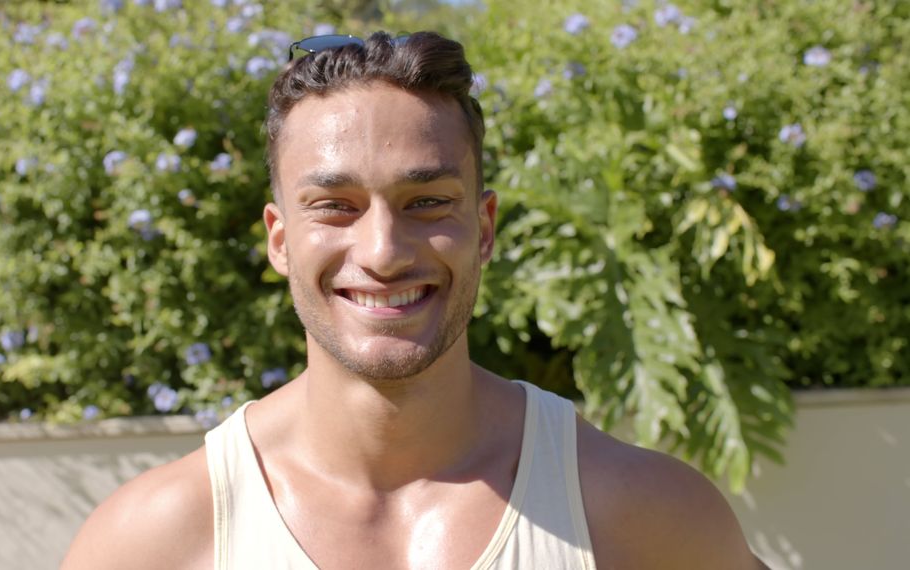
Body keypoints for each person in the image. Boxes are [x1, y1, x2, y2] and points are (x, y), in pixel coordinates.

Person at [62, 31, 767, 569]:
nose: (383, 252)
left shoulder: (638, 514)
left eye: (426, 201)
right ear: (280, 240)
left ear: (483, 228)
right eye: (334, 205)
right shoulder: (160, 540)